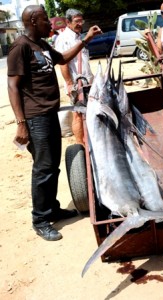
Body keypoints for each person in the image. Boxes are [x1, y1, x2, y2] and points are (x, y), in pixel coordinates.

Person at [7, 5, 102, 241]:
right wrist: (21, 122)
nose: (50, 23)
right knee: (43, 169)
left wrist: (86, 39)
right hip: (35, 118)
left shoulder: (42, 44)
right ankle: (40, 219)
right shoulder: (21, 47)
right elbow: (12, 86)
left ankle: (52, 209)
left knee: (52, 166)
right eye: (45, 19)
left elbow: (62, 58)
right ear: (32, 20)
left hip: (49, 113)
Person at [55, 8, 94, 144]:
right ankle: (80, 144)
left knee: (88, 112)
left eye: (81, 21)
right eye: (76, 21)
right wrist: (69, 83)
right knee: (77, 114)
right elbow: (63, 63)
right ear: (68, 22)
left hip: (86, 82)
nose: (80, 24)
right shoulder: (63, 39)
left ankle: (87, 140)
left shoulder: (78, 37)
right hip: (76, 85)